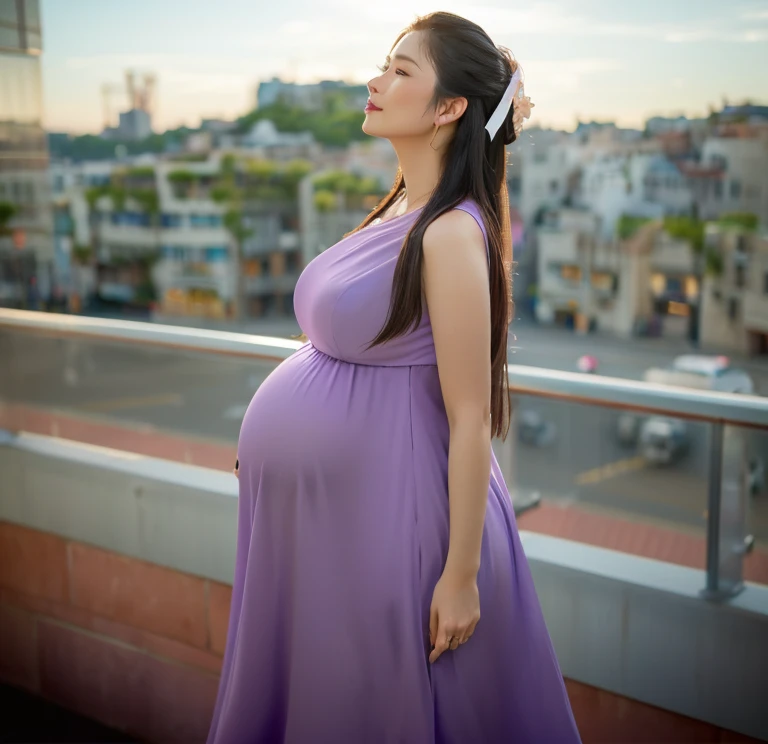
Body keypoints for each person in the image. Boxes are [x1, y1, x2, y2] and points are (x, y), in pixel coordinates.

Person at [208, 11, 581, 744]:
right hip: (340, 519)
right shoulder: (403, 212)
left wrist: (461, 576)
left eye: (402, 70)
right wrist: (280, 447)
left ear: (449, 109)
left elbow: (472, 416)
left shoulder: (448, 233)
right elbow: (344, 347)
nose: (376, 81)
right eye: (385, 64)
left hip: (401, 524)